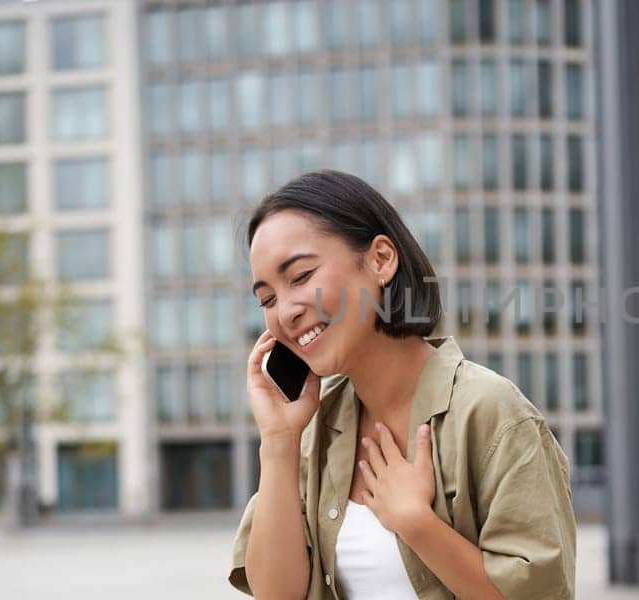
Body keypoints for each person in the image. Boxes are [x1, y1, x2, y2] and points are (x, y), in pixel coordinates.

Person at [229, 170, 577, 599]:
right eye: (267, 299)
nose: (285, 312)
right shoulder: (312, 432)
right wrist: (279, 439)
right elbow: (277, 595)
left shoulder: (492, 413)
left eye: (300, 277)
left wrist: (416, 523)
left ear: (380, 259)